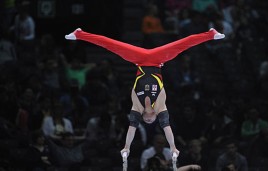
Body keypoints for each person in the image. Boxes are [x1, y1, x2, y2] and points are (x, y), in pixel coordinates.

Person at [64, 27, 225, 159]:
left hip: (139, 60)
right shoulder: (160, 105)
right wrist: (173, 147)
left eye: (145, 119)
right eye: (151, 119)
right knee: (184, 44)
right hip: (157, 59)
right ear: (155, 115)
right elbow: (167, 129)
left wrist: (126, 147)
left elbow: (131, 129)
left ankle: (79, 34)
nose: (148, 117)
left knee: (110, 44)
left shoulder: (136, 105)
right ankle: (211, 34)